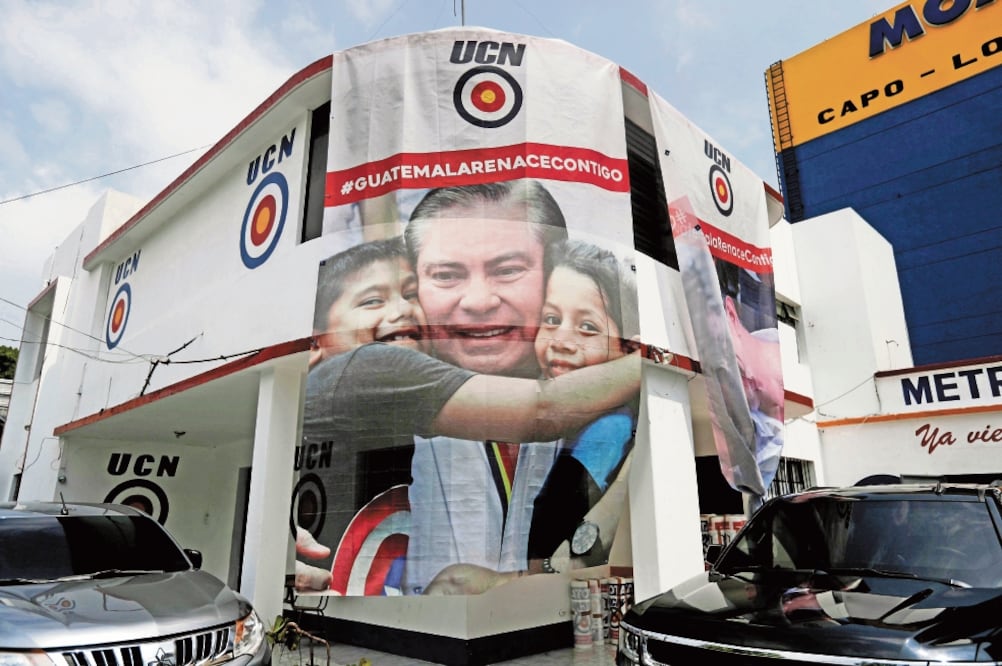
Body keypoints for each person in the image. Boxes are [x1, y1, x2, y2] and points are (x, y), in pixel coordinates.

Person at [295, 232, 641, 592]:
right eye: (372, 301)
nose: (402, 310)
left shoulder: (391, 412)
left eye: (411, 294)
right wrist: (654, 359)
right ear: (315, 344)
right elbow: (543, 407)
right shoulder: (368, 366)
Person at [402, 180, 632, 595]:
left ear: (550, 275)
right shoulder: (384, 409)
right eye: (447, 275)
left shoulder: (616, 423)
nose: (478, 301)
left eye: (507, 270)